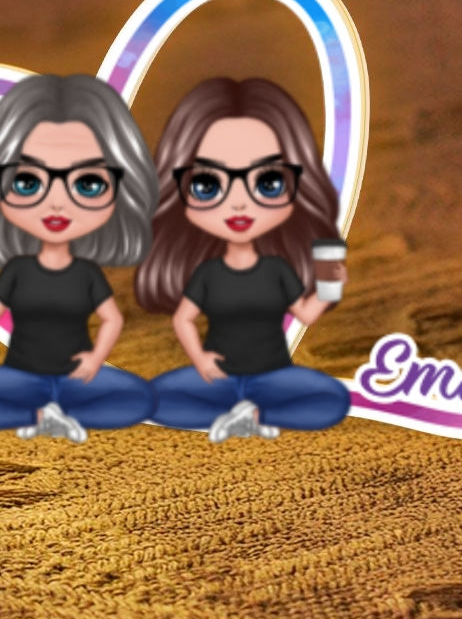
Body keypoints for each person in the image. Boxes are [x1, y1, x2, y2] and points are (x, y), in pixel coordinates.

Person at [135, 78, 351, 441]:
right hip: (219, 377)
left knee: (329, 399)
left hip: (274, 376)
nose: (238, 203)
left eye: (268, 182)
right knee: (158, 398)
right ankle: (247, 411)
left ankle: (247, 412)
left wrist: (330, 286)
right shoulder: (208, 273)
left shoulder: (277, 269)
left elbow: (306, 314)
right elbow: (183, 319)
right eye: (208, 185)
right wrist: (201, 359)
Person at [0, 74, 157, 442]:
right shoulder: (19, 269)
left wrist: (94, 359)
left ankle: (50, 411)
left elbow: (112, 319)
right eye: (28, 182)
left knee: (136, 398)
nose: (57, 203)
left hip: (75, 374)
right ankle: (45, 412)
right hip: (22, 374)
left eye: (87, 184)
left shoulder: (86, 273)